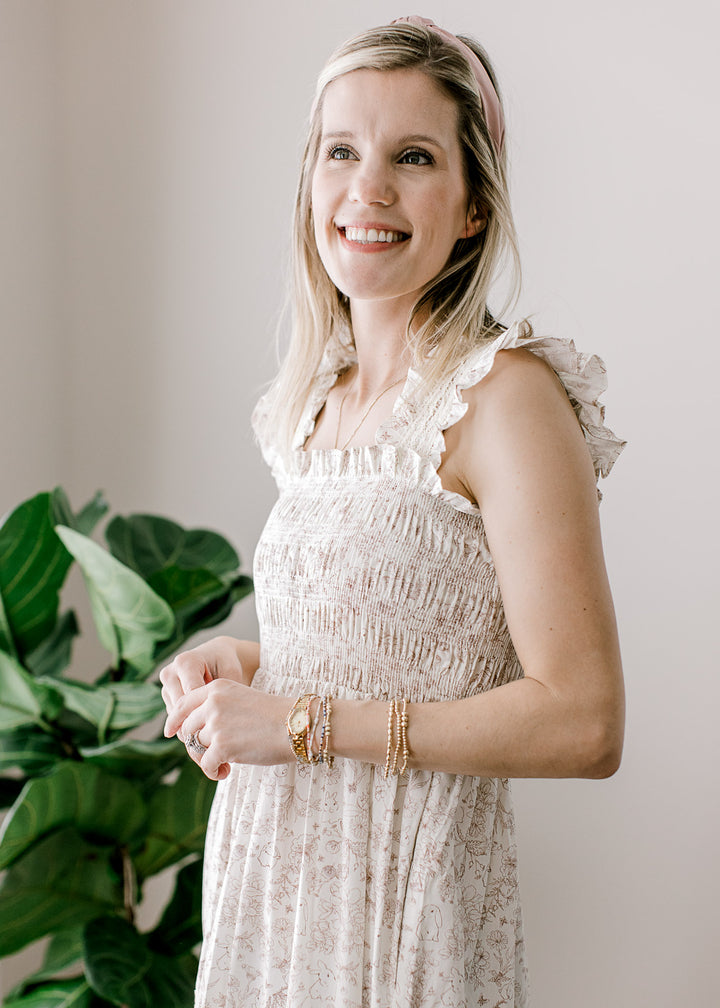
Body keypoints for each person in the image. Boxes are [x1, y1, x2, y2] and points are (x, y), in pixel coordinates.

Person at [160, 16, 625, 1008]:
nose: (367, 188)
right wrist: (242, 668)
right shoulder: (311, 406)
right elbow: (393, 640)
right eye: (342, 150)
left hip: (404, 908)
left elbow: (584, 721)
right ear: (309, 181)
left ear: (470, 208)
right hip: (273, 892)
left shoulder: (508, 399)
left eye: (413, 157)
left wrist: (299, 721)